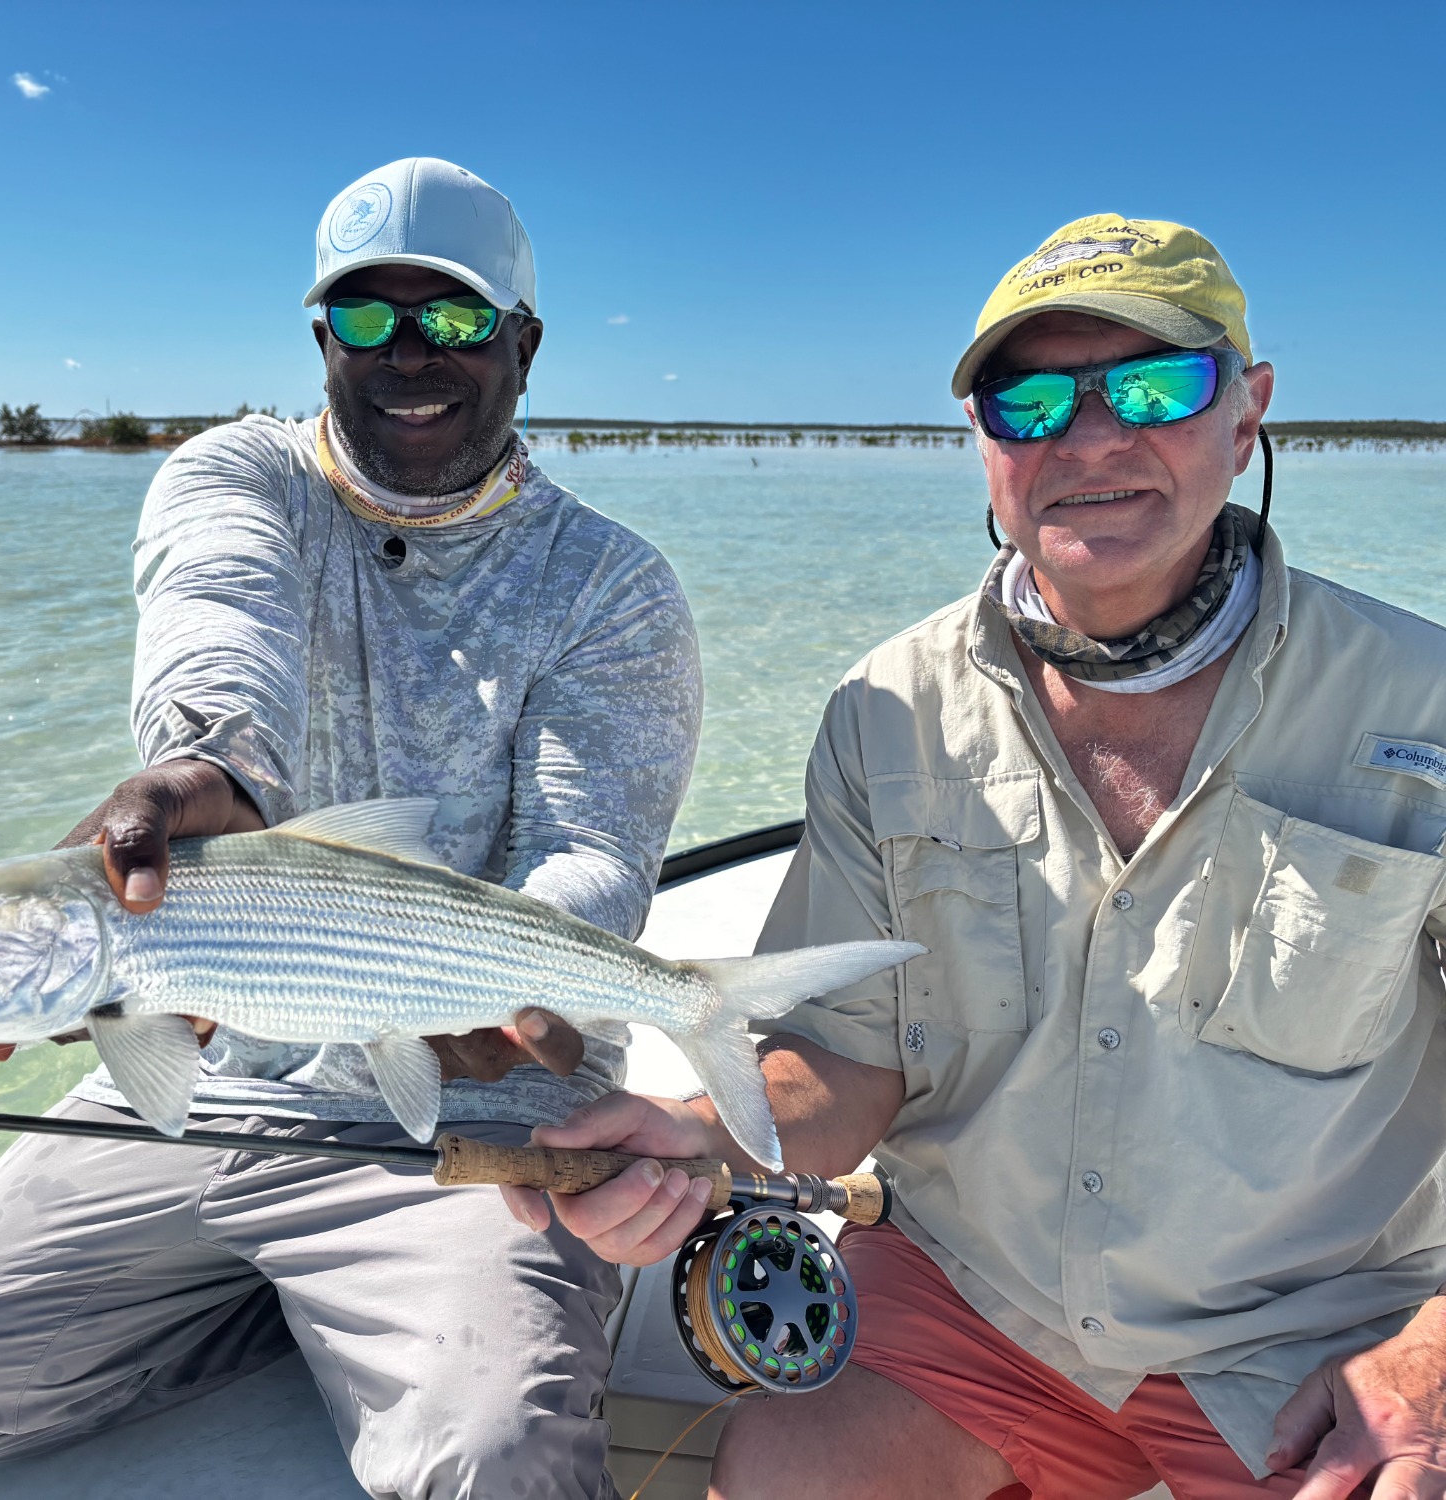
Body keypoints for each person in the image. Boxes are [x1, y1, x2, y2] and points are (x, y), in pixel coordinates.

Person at [507, 215, 1446, 1499]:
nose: (1091, 438)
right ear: (981, 439)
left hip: (1320, 1324)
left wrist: (1432, 1355)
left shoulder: (1419, 700)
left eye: (1154, 387)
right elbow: (847, 1060)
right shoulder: (883, 708)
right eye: (1029, 401)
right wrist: (690, 1136)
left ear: (1247, 414)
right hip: (976, 1296)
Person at [0, 156, 702, 1500]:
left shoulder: (610, 584)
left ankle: (403, 1316)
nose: (408, 356)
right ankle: (309, 1323)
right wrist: (213, 771)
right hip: (215, 1075)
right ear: (323, 340)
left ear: (525, 343)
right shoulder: (239, 475)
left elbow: (590, 848)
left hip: (472, 1109)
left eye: (453, 317)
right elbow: (218, 623)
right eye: (366, 319)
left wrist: (500, 992)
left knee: (498, 1460)